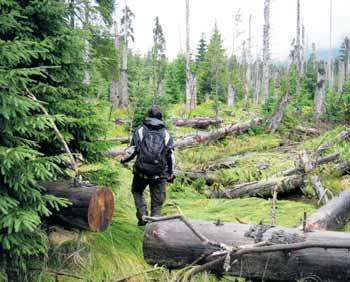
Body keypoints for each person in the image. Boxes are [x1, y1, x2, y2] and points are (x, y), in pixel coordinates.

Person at [121, 105, 175, 226]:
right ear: (161, 117)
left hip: (141, 172)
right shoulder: (166, 133)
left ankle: (142, 214)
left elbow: (132, 150)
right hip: (159, 174)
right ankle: (154, 227)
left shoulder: (140, 131)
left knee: (137, 191)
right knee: (157, 203)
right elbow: (170, 156)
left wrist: (124, 160)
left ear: (148, 115)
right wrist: (170, 173)